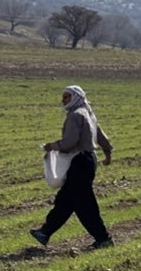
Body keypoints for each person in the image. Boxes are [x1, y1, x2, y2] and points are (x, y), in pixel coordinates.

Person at [31, 85, 114, 249]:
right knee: (65, 200)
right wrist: (107, 153)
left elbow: (70, 142)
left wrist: (52, 146)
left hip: (79, 163)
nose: (63, 101)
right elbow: (101, 136)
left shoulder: (75, 115)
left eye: (67, 97)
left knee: (85, 204)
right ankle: (45, 232)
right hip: (88, 161)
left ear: (76, 97)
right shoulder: (88, 113)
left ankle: (103, 239)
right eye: (63, 97)